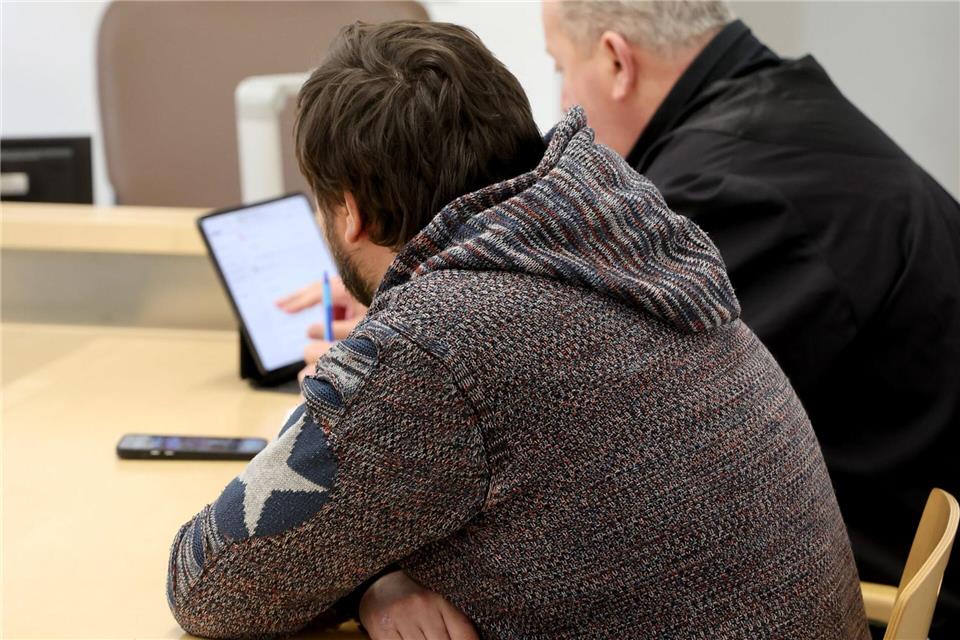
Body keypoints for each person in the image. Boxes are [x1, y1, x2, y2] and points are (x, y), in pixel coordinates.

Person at [167, 20, 869, 639]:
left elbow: (213, 585)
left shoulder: (437, 341)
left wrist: (359, 565)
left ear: (348, 213)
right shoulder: (624, 237)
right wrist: (379, 580)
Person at [539, 1, 960, 636]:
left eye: (560, 68)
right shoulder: (782, 123)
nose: (562, 102)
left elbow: (591, 445)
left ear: (617, 61)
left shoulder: (714, 192)